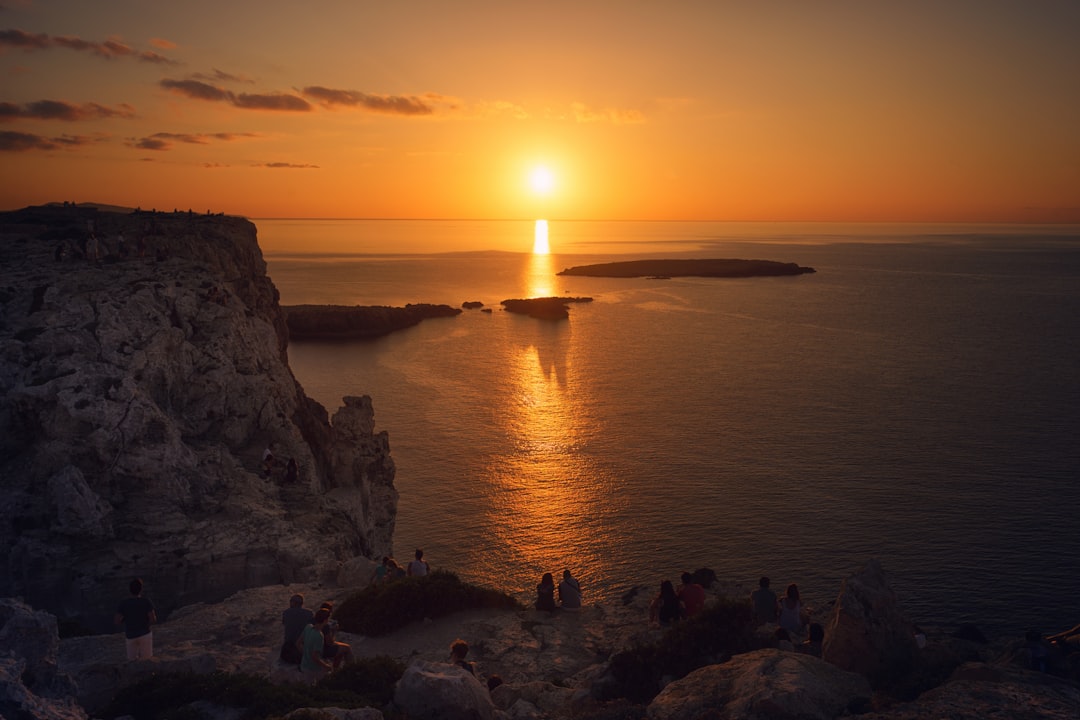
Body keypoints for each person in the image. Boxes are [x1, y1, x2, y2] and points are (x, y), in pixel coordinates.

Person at [115, 578, 157, 660]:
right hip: (145, 634)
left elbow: (117, 621)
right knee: (147, 660)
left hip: (131, 636)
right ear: (141, 589)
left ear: (129, 590)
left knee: (132, 662)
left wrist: (126, 620)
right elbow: (153, 619)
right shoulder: (146, 601)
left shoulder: (124, 603)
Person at [300, 607, 333, 683]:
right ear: (325, 620)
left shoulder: (308, 627)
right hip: (314, 668)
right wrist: (326, 666)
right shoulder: (319, 635)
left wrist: (305, 654)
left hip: (304, 665)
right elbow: (315, 657)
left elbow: (298, 644)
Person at [280, 593, 314, 665]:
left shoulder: (286, 613)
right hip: (303, 648)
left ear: (293, 602)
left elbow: (285, 624)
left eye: (290, 601)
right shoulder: (309, 613)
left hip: (288, 650)